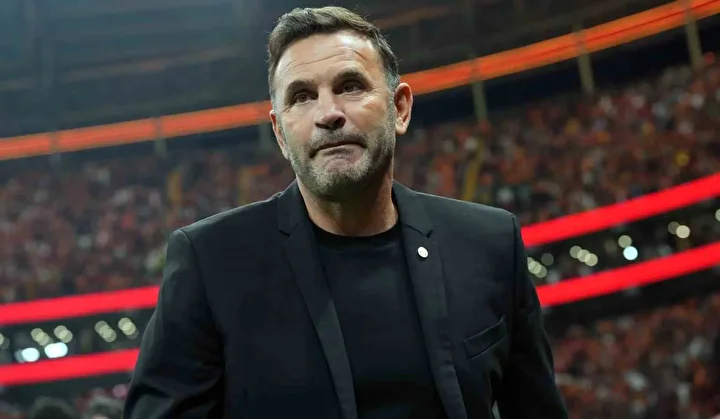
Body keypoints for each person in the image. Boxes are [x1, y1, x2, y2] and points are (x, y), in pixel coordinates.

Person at [124, 6, 567, 419]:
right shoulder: (212, 261)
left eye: (350, 86)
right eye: (302, 96)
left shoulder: (489, 243)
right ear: (280, 133)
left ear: (399, 108)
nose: (328, 113)